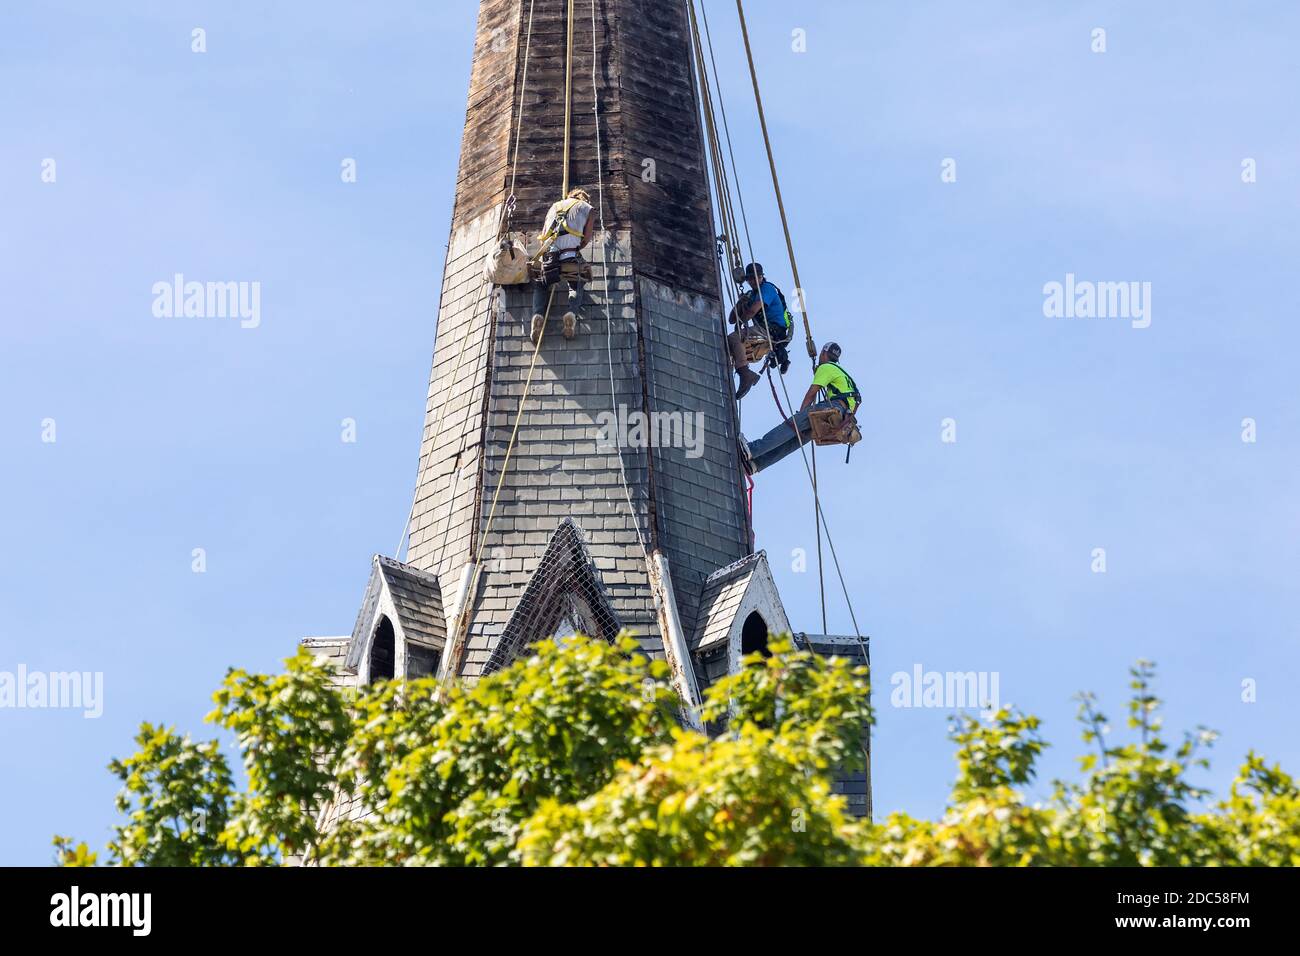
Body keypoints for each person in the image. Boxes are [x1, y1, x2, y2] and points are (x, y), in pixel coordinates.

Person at [740, 341, 860, 475]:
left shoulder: (827, 368)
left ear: (823, 353)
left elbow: (811, 394)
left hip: (834, 408)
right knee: (796, 440)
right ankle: (755, 464)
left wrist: (801, 414)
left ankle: (751, 450)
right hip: (840, 419)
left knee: (791, 426)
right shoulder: (844, 375)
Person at [530, 187, 596, 343]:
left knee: (541, 283)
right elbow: (586, 238)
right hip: (570, 255)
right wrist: (576, 248)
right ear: (584, 199)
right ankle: (571, 313)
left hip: (549, 256)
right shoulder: (588, 209)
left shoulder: (555, 206)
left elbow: (544, 234)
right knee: (577, 282)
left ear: (569, 197)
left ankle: (537, 315)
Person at [726, 262, 793, 399]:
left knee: (734, 338)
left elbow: (752, 310)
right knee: (729, 347)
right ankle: (741, 374)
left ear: (762, 276)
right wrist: (740, 303)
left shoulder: (767, 289)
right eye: (750, 279)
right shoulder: (751, 295)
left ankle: (745, 375)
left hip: (772, 330)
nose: (752, 281)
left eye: (756, 278)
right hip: (763, 331)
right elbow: (732, 319)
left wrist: (742, 321)